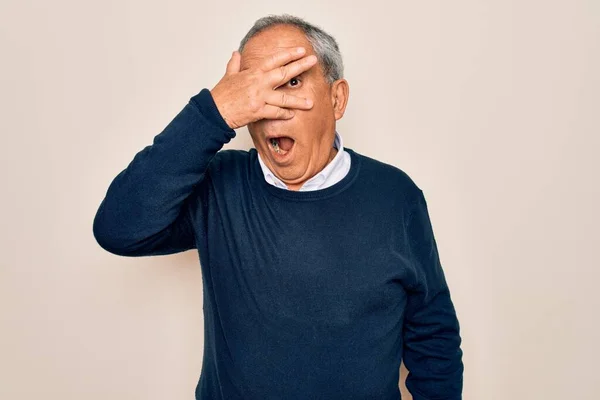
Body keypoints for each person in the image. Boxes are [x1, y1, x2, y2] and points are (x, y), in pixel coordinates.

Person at [93, 13, 464, 400]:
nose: (272, 107)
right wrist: (213, 112)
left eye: (290, 83)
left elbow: (432, 335)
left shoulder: (395, 196)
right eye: (256, 89)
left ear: (337, 99)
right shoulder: (219, 186)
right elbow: (118, 228)